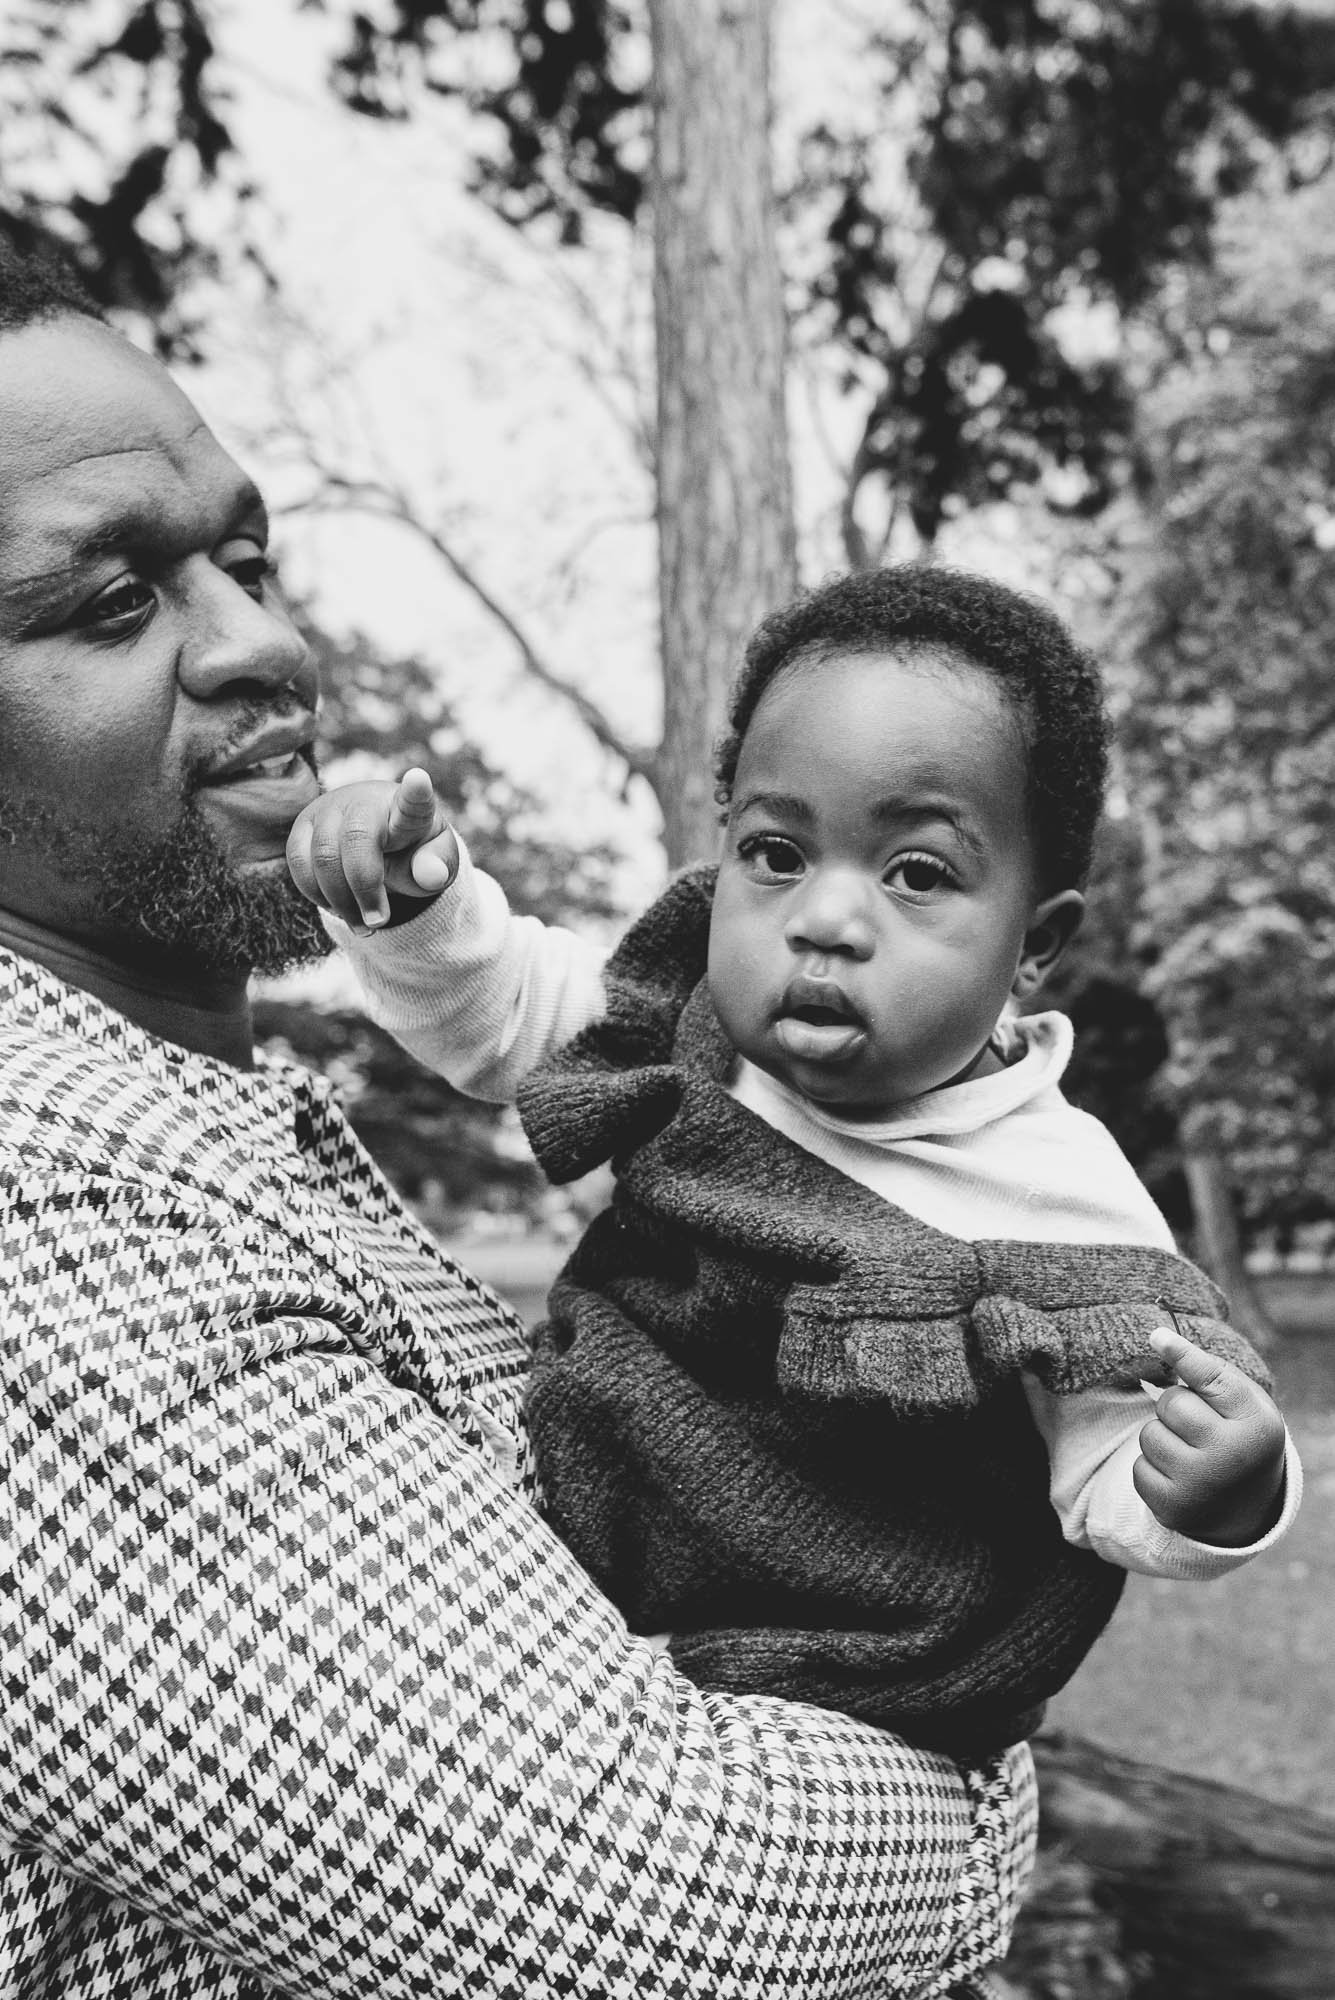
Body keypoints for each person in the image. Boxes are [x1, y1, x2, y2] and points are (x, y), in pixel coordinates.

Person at [0, 245, 1042, 2000]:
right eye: (111, 606)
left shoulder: (191, 1120)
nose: (264, 643)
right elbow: (682, 1922)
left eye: (247, 562)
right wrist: (982, 1755)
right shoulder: (41, 1222)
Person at [290, 566, 1300, 1759]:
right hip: (569, 1549)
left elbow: (1110, 1462)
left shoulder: (1061, 1205)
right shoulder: (690, 1033)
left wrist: (1224, 1490)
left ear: (1035, 945)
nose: (823, 915)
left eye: (916, 871)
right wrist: (417, 902)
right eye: (776, 851)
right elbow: (504, 1005)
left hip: (843, 1682)